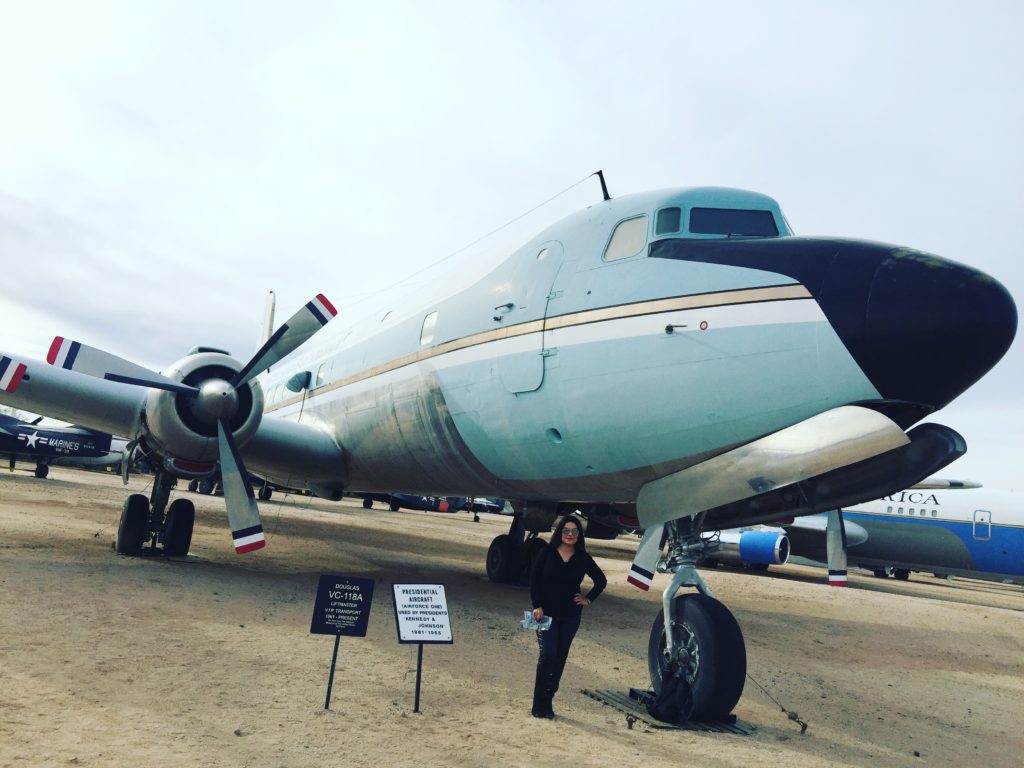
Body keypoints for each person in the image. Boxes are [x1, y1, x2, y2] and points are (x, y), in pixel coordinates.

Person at [528, 514, 607, 718]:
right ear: (560, 532)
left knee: (559, 659)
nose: (570, 534)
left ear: (579, 535)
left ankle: (548, 702)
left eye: (574, 531)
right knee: (547, 656)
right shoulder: (547, 552)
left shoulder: (583, 558)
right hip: (545, 614)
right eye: (566, 530)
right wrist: (537, 605)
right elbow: (534, 579)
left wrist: (588, 599)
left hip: (571, 616)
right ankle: (538, 704)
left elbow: (601, 580)